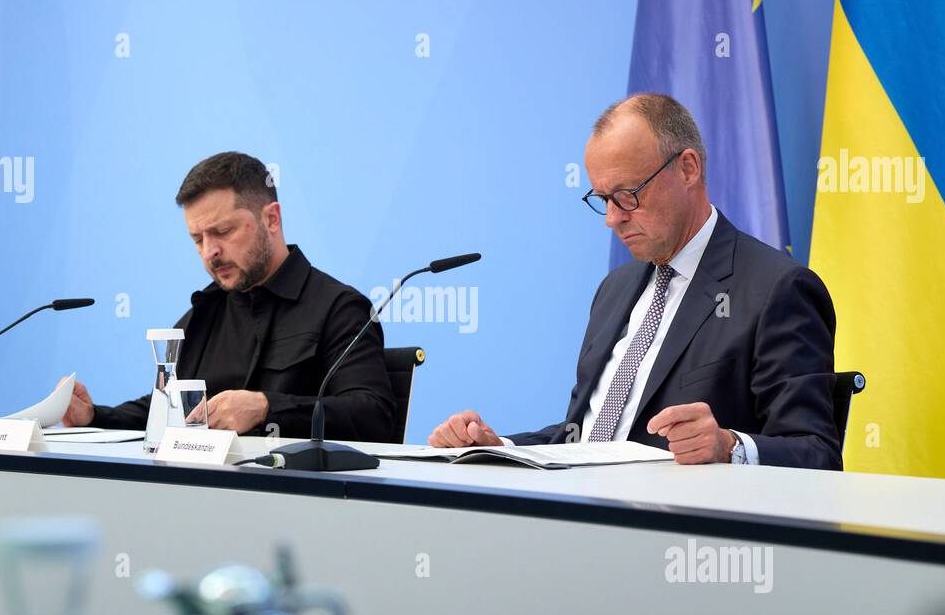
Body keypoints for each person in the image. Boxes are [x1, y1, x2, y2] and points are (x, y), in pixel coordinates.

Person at [428, 93, 841, 469]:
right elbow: (589, 437)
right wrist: (498, 447)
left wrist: (728, 445)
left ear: (688, 168)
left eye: (629, 194)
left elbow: (817, 451)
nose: (613, 218)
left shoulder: (776, 289)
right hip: (580, 517)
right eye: (603, 199)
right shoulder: (615, 289)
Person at [63, 152, 397, 441]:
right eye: (197, 239)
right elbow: (166, 411)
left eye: (223, 232)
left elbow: (374, 417)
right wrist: (94, 418)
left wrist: (267, 408)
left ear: (272, 218)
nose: (210, 252)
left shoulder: (339, 308)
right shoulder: (202, 314)